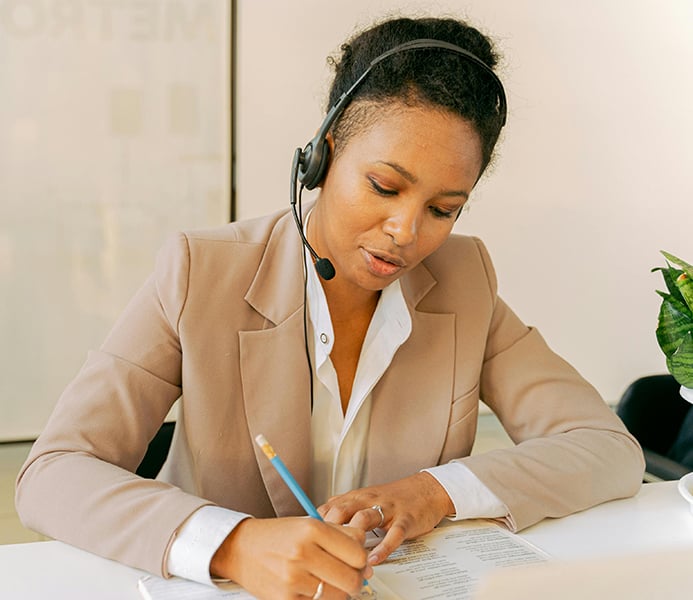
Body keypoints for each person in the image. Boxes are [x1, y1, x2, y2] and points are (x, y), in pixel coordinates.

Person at [15, 15, 645, 600]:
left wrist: (433, 493)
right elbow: (53, 473)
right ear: (323, 153)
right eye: (384, 186)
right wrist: (232, 546)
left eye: (442, 209)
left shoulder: (464, 281)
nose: (406, 230)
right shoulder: (198, 272)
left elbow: (605, 447)